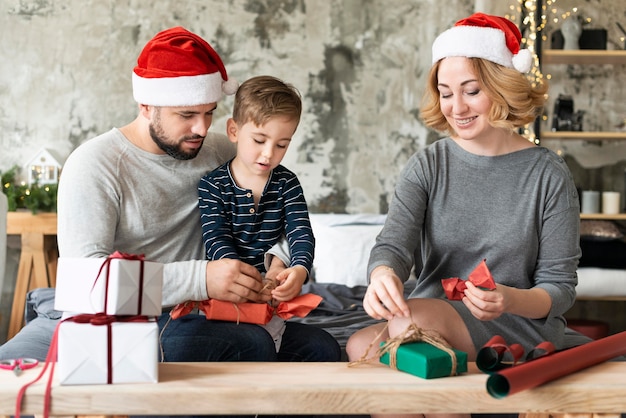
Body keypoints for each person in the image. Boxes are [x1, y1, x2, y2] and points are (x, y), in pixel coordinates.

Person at [0, 26, 340, 364]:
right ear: (147, 105)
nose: (202, 129)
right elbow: (86, 283)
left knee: (321, 348)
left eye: (209, 113)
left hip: (216, 311)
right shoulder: (95, 165)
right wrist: (201, 279)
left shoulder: (221, 150)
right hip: (136, 319)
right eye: (187, 115)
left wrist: (282, 261)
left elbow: (276, 211)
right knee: (248, 345)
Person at [346, 12, 585, 418]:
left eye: (471, 91)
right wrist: (383, 273)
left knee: (404, 328)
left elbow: (559, 289)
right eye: (445, 92)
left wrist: (508, 298)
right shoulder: (428, 165)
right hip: (430, 316)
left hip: (514, 322)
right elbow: (393, 245)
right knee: (358, 347)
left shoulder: (547, 173)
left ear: (500, 87)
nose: (456, 107)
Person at [187, 75, 319, 351]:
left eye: (282, 145)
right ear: (234, 131)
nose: (269, 153)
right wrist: (247, 285)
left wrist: (299, 270)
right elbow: (217, 240)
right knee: (252, 345)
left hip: (272, 297)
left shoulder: (287, 184)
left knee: (323, 348)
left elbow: (301, 234)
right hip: (228, 296)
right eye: (259, 140)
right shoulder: (213, 186)